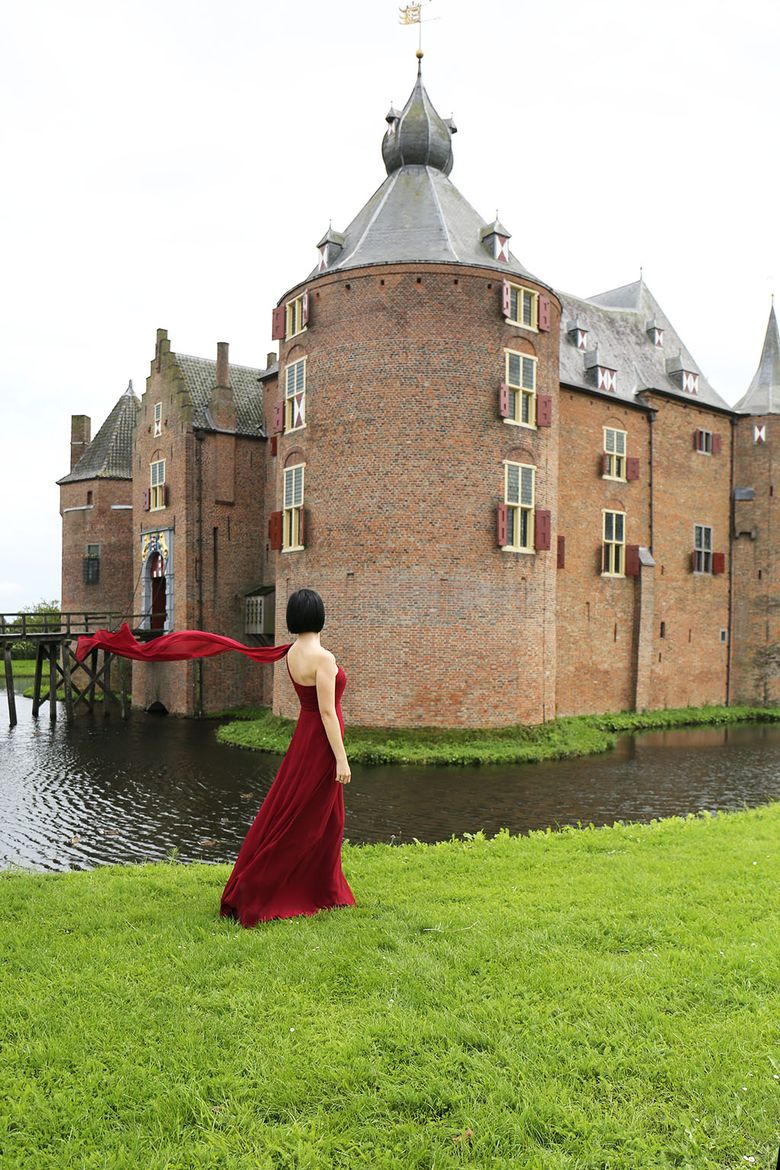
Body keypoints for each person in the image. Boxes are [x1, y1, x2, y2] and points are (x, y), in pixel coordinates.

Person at [219, 588, 355, 927]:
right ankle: (268, 889)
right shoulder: (323, 658)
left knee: (321, 817)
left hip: (304, 738)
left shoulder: (292, 653)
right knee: (311, 820)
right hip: (321, 743)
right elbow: (326, 711)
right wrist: (341, 758)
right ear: (319, 615)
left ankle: (327, 890)